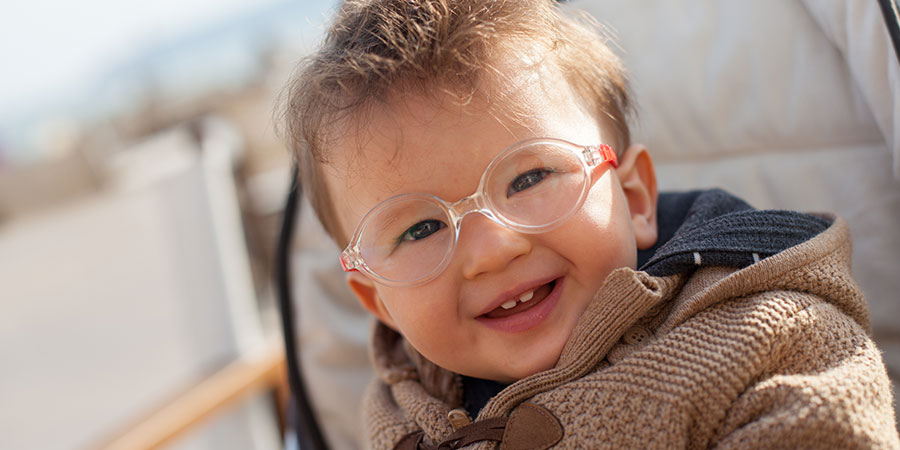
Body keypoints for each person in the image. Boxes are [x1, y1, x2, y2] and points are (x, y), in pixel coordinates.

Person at [279, 0, 900, 448]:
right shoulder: (392, 407)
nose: (492, 250)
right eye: (419, 230)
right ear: (378, 301)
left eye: (529, 179)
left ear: (633, 198)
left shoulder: (767, 335)